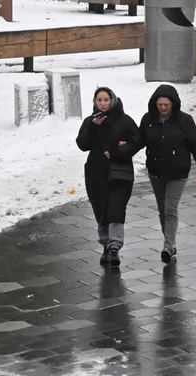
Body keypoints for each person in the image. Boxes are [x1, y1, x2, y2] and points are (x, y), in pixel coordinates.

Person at [138, 84, 196, 263]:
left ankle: (168, 246)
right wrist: (122, 148)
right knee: (162, 211)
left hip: (178, 172)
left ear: (173, 104)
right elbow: (139, 140)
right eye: (160, 105)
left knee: (170, 209)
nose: (162, 108)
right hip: (156, 171)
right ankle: (171, 243)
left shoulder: (185, 120)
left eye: (166, 105)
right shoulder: (148, 119)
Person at [76, 87, 140, 266]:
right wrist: (92, 127)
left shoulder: (125, 120)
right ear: (95, 102)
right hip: (96, 173)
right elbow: (82, 144)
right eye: (99, 100)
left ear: (113, 100)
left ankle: (114, 247)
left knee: (116, 208)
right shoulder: (91, 121)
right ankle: (106, 245)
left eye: (106, 99)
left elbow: (137, 141)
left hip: (121, 173)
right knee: (101, 209)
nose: (103, 103)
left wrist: (120, 150)